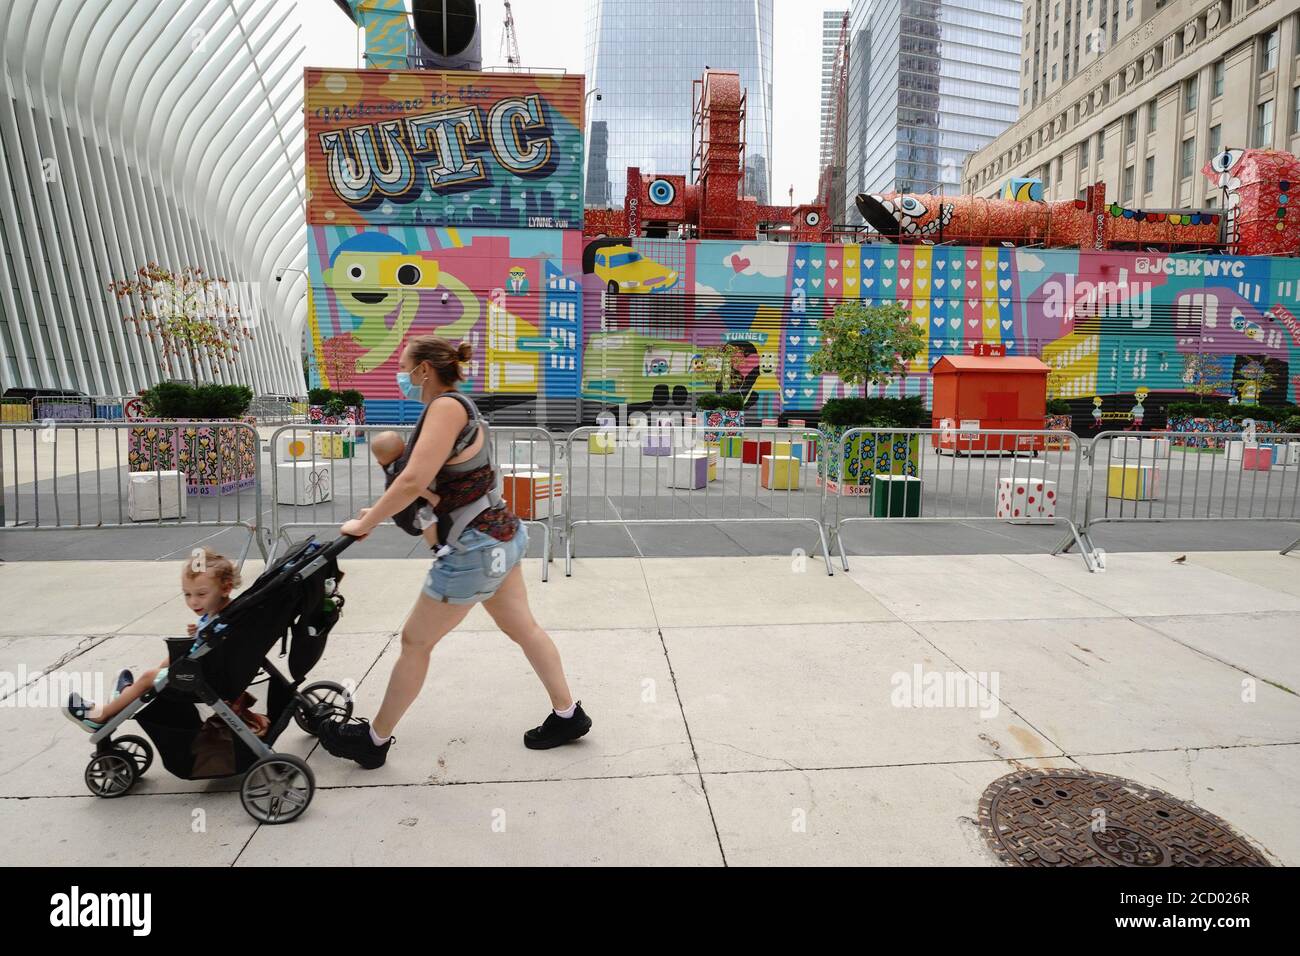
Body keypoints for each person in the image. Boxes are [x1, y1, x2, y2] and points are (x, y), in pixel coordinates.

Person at [320, 335, 590, 769]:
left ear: (424, 370)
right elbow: (433, 487)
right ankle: (568, 715)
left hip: (475, 551)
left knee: (415, 641)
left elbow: (411, 482)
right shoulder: (454, 407)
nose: (401, 375)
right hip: (500, 538)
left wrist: (365, 523)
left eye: (405, 366)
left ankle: (372, 742)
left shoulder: (446, 408)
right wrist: (382, 509)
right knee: (525, 630)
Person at [65, 549, 243, 730]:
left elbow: (218, 642)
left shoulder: (222, 622)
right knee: (167, 662)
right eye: (187, 594)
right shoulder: (226, 612)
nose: (193, 602)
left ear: (226, 588)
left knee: (148, 677)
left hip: (204, 678)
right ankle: (128, 694)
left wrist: (204, 635)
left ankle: (101, 716)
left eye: (201, 594)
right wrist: (200, 631)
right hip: (209, 669)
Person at [370, 429, 441, 547]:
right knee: (426, 517)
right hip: (409, 515)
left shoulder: (393, 466)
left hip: (402, 508)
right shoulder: (400, 469)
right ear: (405, 446)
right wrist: (432, 497)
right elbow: (413, 486)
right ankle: (436, 547)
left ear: (379, 462)